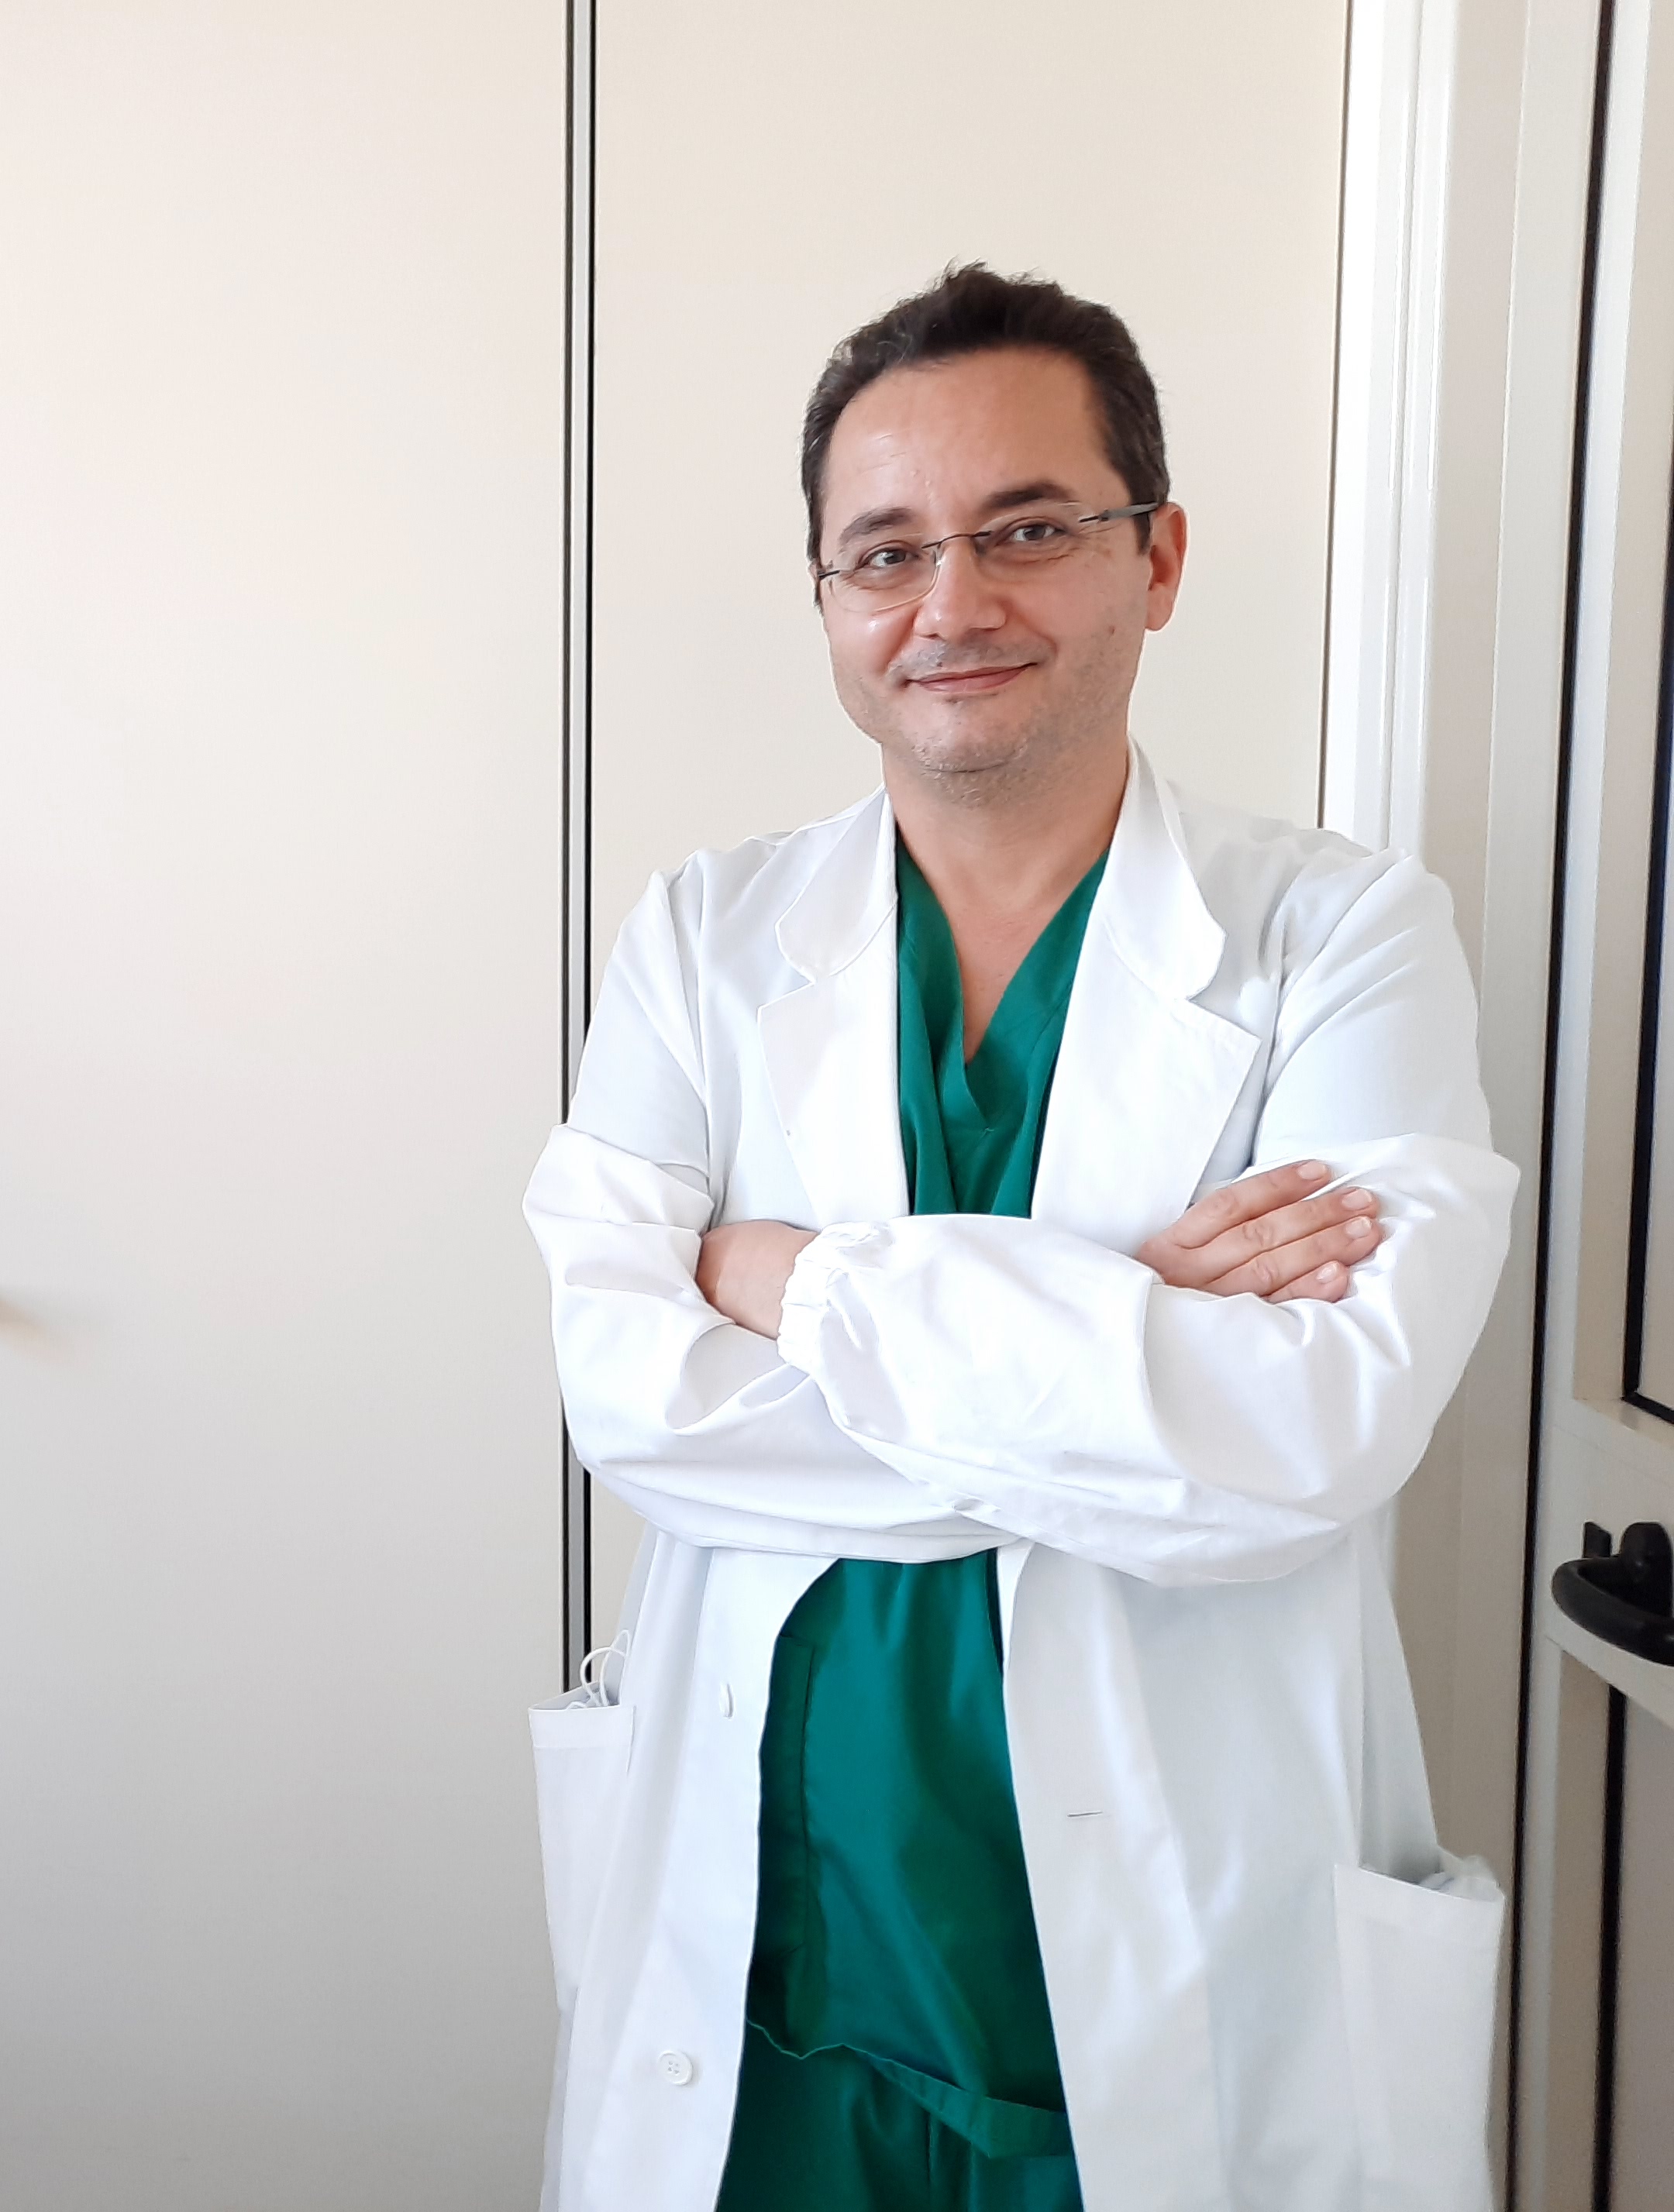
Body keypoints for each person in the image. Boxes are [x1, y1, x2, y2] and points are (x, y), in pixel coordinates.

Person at [524, 266, 1516, 2211]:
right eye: (883, 551)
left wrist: (782, 1279)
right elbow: (628, 1401)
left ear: (1155, 557)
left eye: (1027, 529)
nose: (950, 602)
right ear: (828, 600)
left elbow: (1303, 1439)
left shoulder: (1342, 937)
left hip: (1183, 1968)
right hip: (773, 1954)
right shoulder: (700, 938)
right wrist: (1121, 1328)